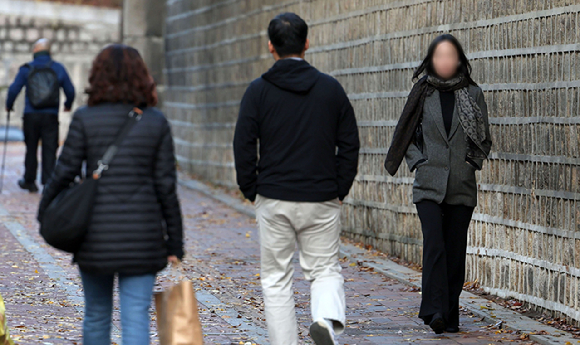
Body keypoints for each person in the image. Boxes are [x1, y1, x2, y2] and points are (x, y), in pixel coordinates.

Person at [37, 44, 183, 345]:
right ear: (142, 75)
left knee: (96, 314)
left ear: (97, 75)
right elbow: (166, 186)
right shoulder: (156, 122)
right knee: (136, 317)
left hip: (95, 235)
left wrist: (45, 211)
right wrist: (175, 242)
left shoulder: (85, 119)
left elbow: (63, 172)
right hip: (143, 238)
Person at [233, 12, 360, 345]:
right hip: (321, 197)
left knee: (276, 278)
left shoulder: (257, 92)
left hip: (274, 197)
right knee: (325, 270)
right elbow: (349, 143)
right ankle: (325, 320)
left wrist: (251, 189)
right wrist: (340, 188)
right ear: (307, 43)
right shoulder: (331, 90)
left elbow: (243, 144)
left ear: (270, 47)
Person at [385, 34, 492, 334]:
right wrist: (419, 161)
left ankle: (450, 313)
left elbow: (483, 138)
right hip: (428, 184)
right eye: (439, 56)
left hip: (461, 184)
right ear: (431, 60)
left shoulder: (473, 93)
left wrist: (471, 163)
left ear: (459, 60)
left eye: (450, 56)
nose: (444, 61)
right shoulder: (422, 92)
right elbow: (405, 134)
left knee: (454, 250)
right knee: (435, 246)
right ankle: (434, 311)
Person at [5, 38, 75, 193]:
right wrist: (67, 105)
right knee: (50, 149)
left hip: (31, 115)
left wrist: (9, 105)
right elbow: (70, 90)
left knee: (31, 148)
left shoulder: (27, 68)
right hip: (50, 115)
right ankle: (48, 182)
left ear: (36, 50)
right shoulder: (58, 68)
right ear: (49, 51)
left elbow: (14, 89)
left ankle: (29, 181)